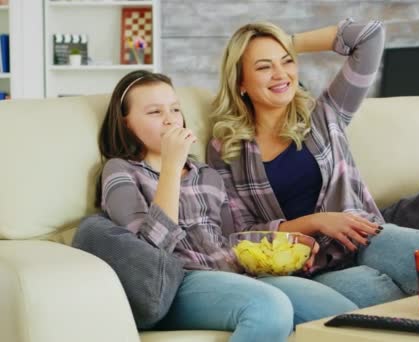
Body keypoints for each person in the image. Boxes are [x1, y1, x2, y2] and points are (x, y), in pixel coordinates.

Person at [92, 69, 357, 341]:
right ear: (126, 123)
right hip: (177, 283)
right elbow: (147, 255)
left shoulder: (206, 174)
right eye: (154, 112)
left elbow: (232, 239)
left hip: (234, 275)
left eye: (174, 109)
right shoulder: (121, 170)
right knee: (269, 308)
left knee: (345, 316)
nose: (170, 120)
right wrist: (170, 166)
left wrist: (283, 244)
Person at [207, 18, 419, 308]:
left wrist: (288, 41)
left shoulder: (326, 113)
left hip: (363, 237)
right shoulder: (226, 148)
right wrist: (316, 222)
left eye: (286, 61)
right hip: (310, 270)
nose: (281, 74)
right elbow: (241, 236)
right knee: (381, 295)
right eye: (264, 66)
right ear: (241, 82)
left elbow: (369, 35)